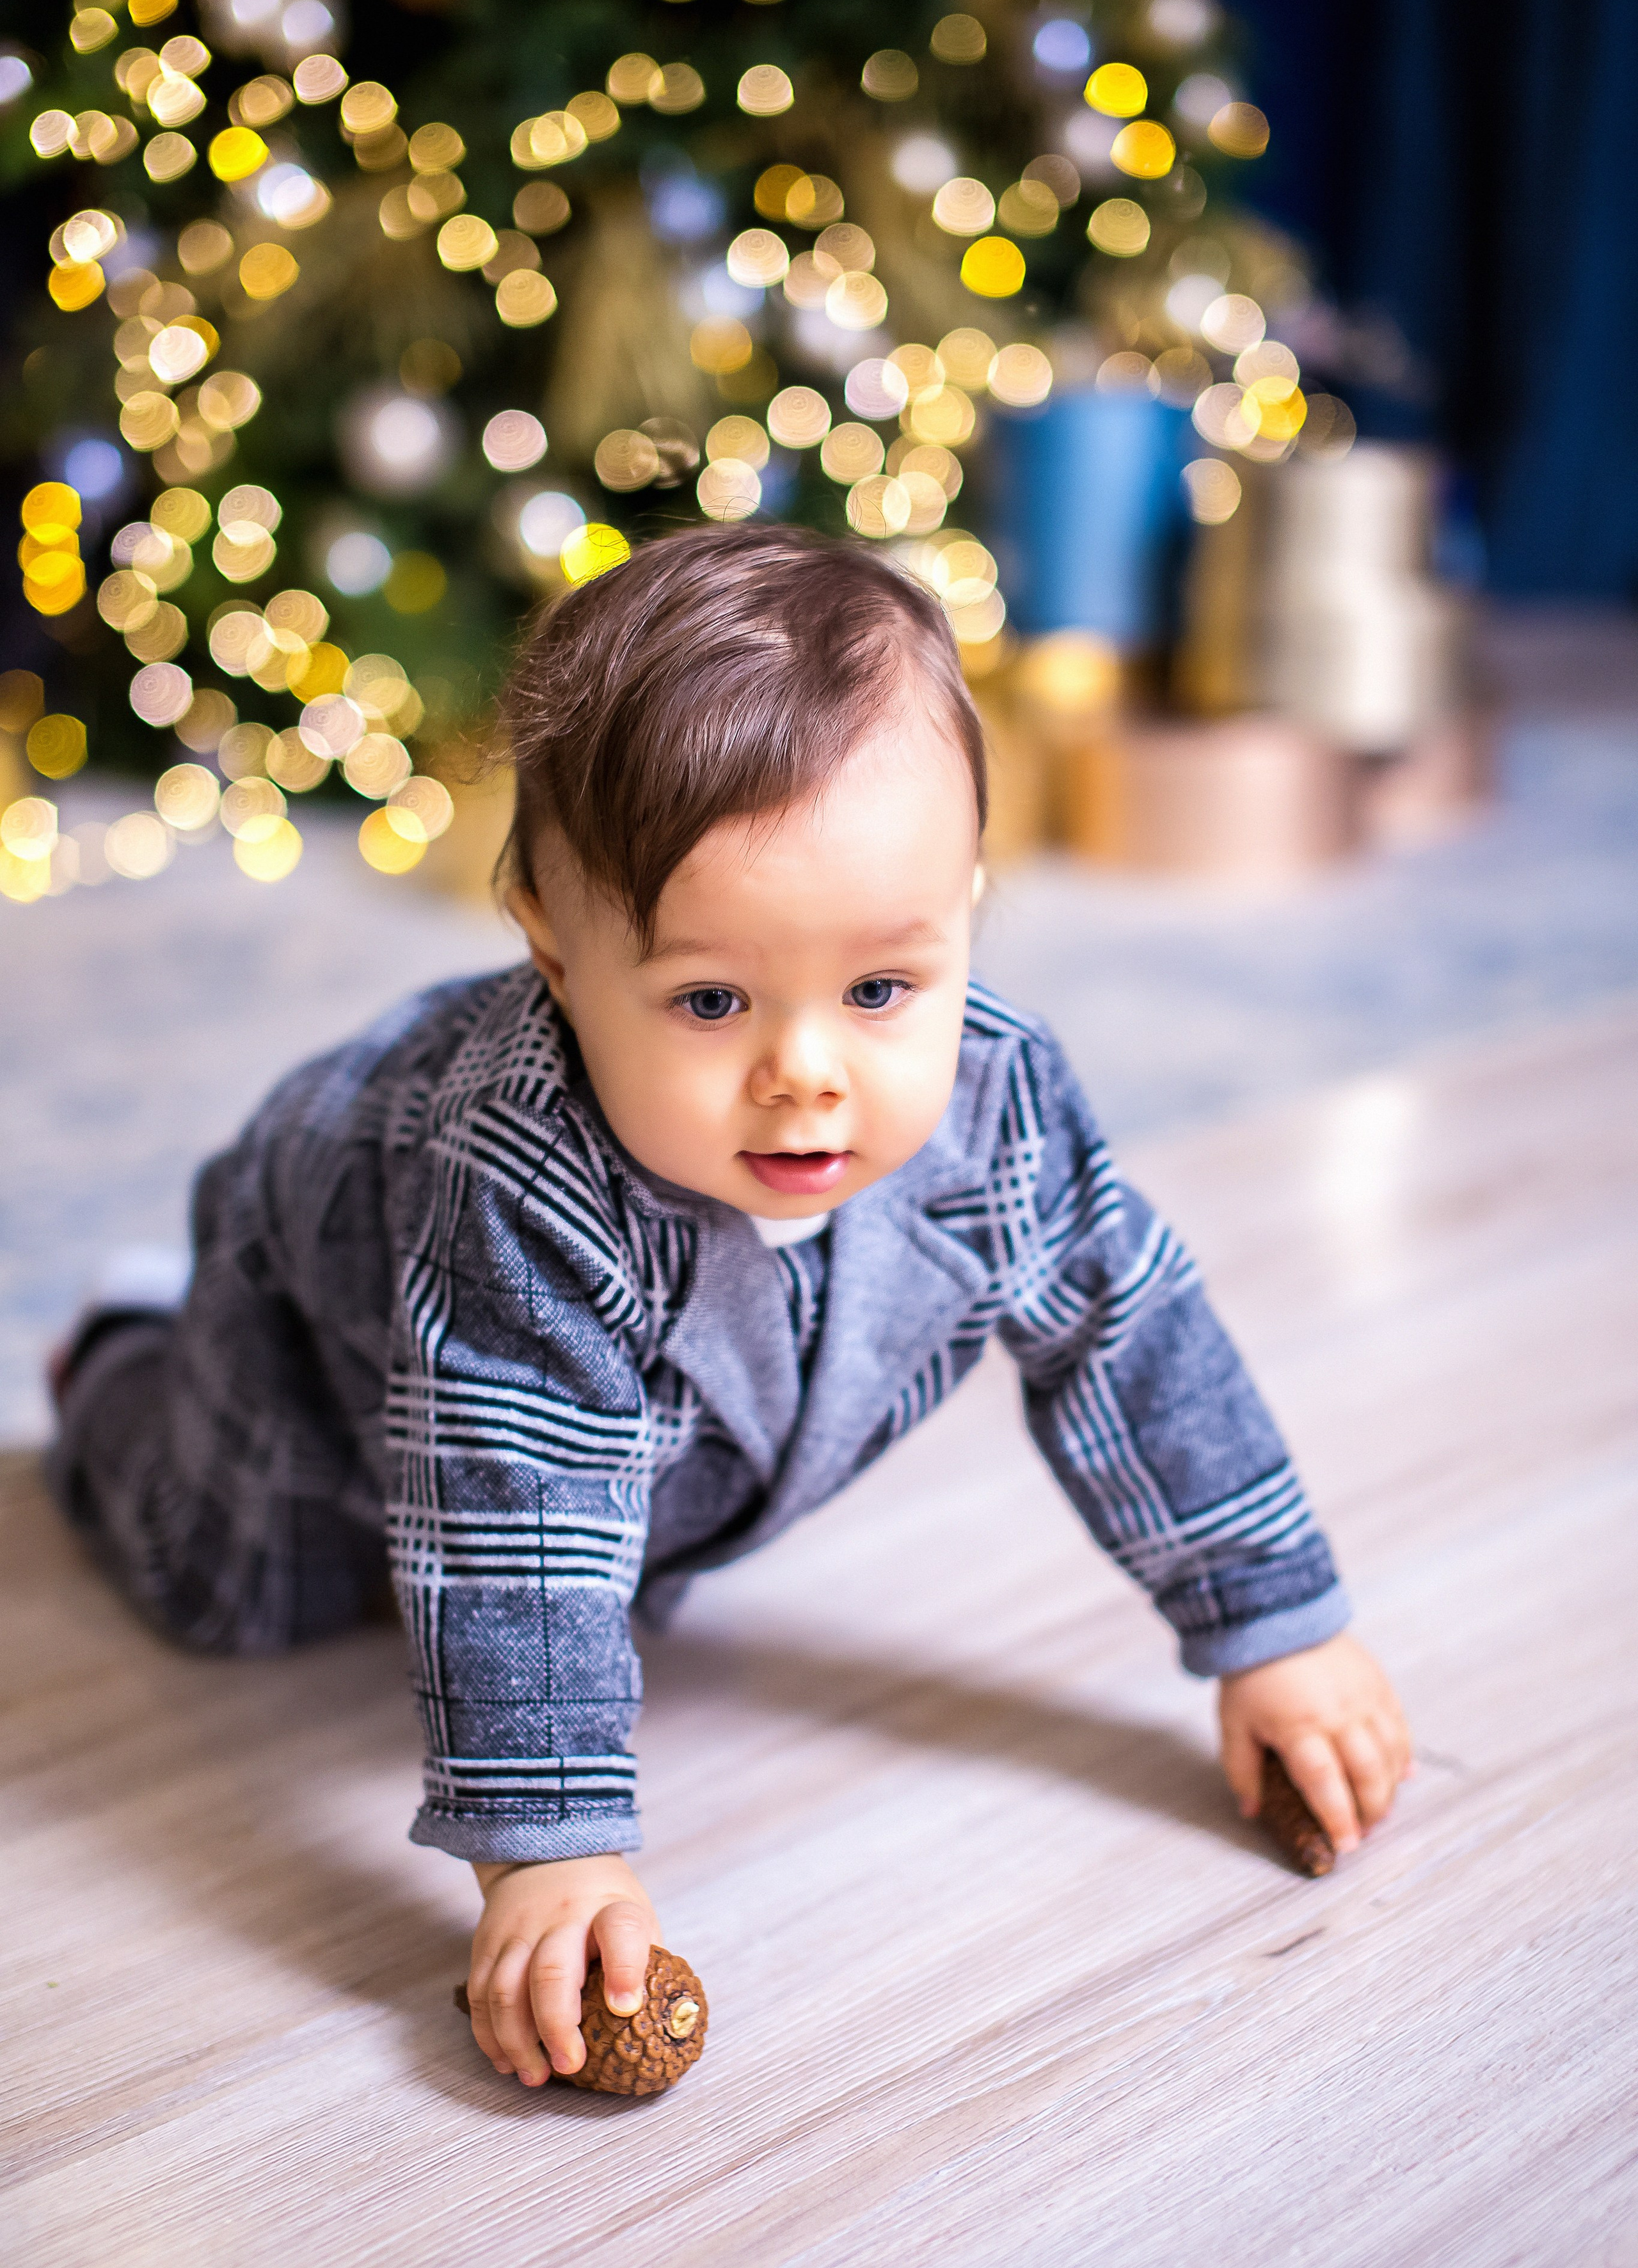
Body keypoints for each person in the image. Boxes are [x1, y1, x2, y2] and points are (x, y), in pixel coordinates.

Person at [49, 525, 1411, 2090]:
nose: (806, 1070)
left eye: (883, 988)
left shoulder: (996, 1102)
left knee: (623, 1528)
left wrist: (1267, 1618)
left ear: (966, 902)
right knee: (224, 1589)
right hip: (303, 1333)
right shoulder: (519, 1181)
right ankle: (120, 1346)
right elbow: (517, 1511)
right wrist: (547, 1850)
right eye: (710, 1001)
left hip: (599, 1413)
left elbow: (1129, 1338)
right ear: (553, 950)